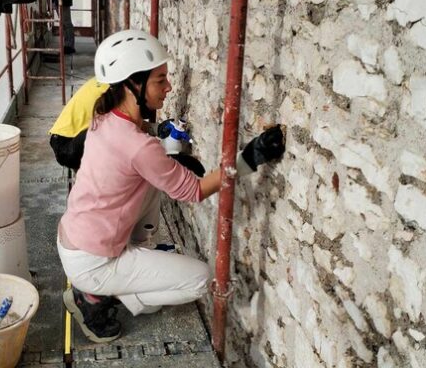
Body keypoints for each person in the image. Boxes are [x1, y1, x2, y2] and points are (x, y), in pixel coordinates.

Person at [57, 29, 286, 343]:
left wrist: (170, 158)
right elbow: (194, 191)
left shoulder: (103, 118)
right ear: (133, 84)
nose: (169, 87)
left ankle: (122, 272)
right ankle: (97, 298)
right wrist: (250, 157)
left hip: (74, 240)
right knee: (201, 279)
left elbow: (140, 160)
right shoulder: (139, 146)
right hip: (93, 262)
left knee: (151, 184)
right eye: (159, 80)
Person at [49, 77, 109, 171]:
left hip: (60, 139)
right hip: (67, 146)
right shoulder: (112, 91)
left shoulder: (102, 79)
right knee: (115, 132)